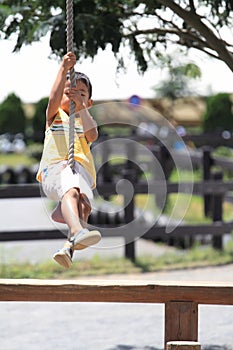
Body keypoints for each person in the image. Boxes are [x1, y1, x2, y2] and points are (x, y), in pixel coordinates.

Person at [36, 52, 101, 269]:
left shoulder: (85, 120)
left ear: (89, 101)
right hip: (56, 169)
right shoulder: (55, 117)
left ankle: (67, 247)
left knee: (84, 205)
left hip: (78, 172)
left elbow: (93, 136)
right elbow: (53, 98)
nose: (74, 96)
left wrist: (81, 108)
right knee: (71, 189)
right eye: (69, 92)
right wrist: (63, 69)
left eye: (81, 93)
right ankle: (76, 230)